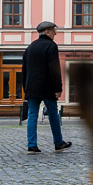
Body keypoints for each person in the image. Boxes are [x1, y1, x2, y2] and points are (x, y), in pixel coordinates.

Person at [21, 21, 71, 154]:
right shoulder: (51, 46)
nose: (55, 33)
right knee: (53, 114)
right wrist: (58, 88)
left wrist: (26, 88)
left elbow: (24, 70)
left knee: (32, 115)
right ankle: (58, 143)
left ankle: (32, 145)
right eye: (54, 30)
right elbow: (54, 69)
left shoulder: (30, 47)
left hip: (32, 87)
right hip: (47, 86)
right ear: (47, 31)